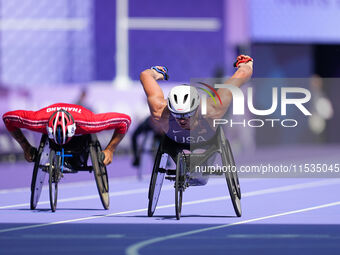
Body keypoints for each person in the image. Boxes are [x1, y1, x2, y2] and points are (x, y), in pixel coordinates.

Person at [139, 55, 253, 184]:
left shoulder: (213, 108)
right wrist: (155, 72)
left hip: (207, 141)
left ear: (196, 108)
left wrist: (246, 64)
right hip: (174, 142)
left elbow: (243, 73)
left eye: (187, 115)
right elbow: (145, 75)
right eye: (177, 115)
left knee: (201, 177)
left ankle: (197, 170)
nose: (182, 120)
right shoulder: (160, 110)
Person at [2, 103, 131, 165]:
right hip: (49, 126)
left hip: (80, 133)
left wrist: (110, 150)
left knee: (79, 154)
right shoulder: (37, 121)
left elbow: (125, 121)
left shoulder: (89, 123)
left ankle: (75, 155)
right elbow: (7, 118)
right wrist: (26, 147)